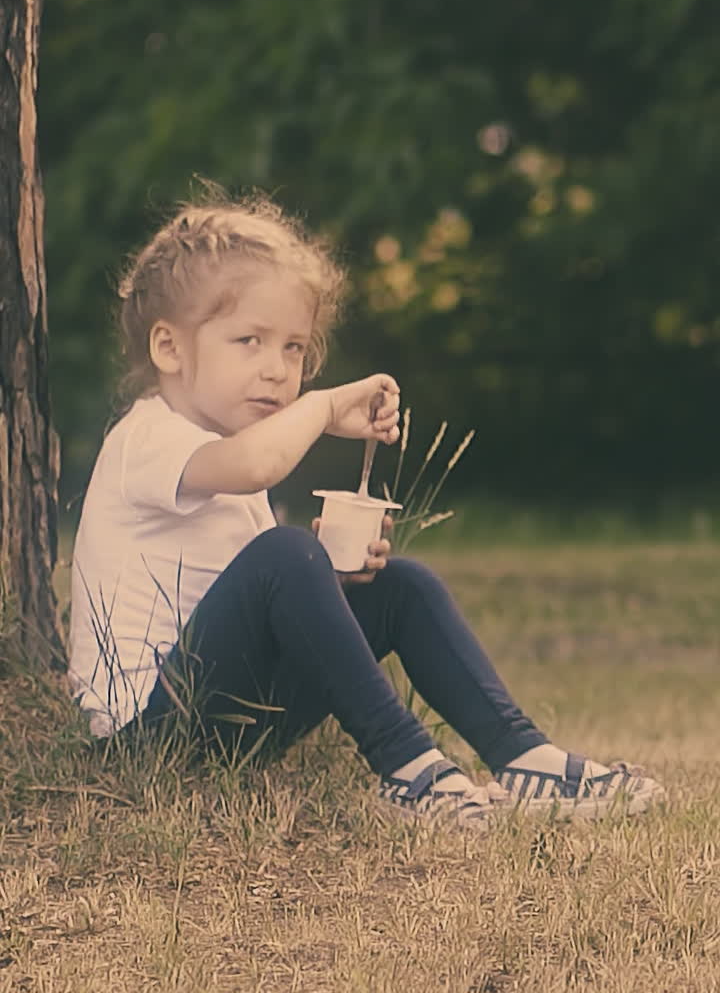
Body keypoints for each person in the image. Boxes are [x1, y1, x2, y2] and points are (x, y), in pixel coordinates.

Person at [67, 189, 666, 832]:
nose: (277, 369)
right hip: (149, 739)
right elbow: (255, 468)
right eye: (250, 340)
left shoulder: (224, 454)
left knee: (399, 584)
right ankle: (408, 767)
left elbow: (257, 601)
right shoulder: (146, 439)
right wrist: (324, 409)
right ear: (169, 349)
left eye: (294, 348)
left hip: (235, 728)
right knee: (287, 552)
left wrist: (332, 579)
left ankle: (525, 757)